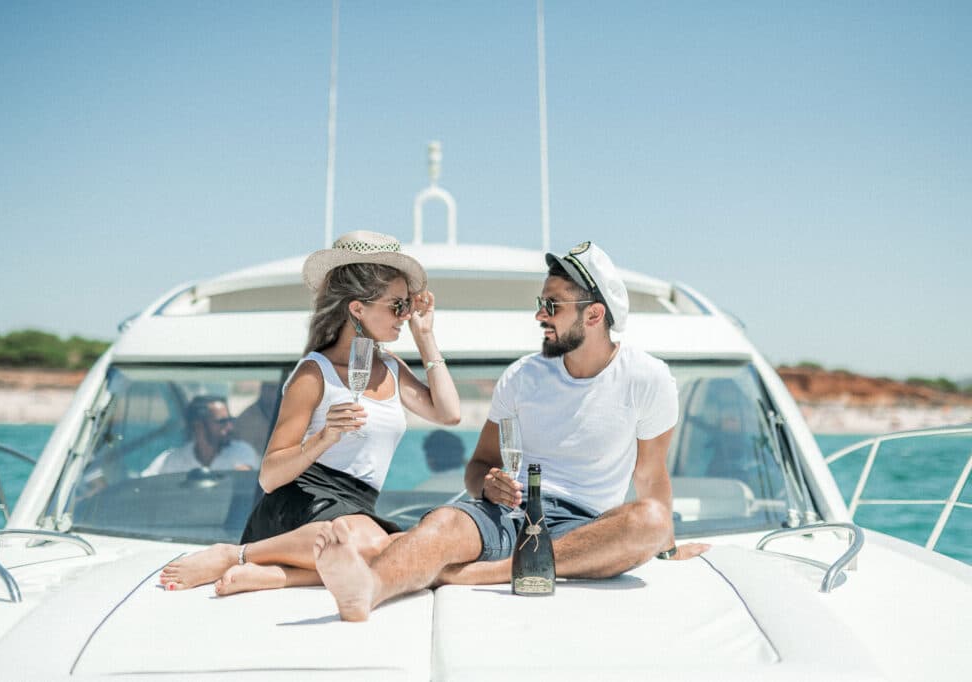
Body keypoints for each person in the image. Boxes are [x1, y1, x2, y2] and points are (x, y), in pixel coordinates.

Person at [312, 240, 709, 621]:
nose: (540, 315)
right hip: (508, 513)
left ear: (594, 315)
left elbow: (651, 476)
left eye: (551, 306)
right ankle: (368, 590)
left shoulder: (648, 378)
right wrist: (488, 485)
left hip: (585, 529)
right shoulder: (522, 377)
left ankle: (487, 572)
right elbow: (479, 466)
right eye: (541, 304)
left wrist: (668, 549)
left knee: (652, 521)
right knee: (445, 523)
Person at [159, 230, 461, 592]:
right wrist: (324, 438)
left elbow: (449, 414)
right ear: (357, 308)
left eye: (408, 305)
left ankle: (278, 575)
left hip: (356, 511)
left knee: (406, 550)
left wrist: (424, 336)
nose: (405, 314)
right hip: (302, 508)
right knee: (370, 544)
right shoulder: (314, 372)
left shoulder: (392, 368)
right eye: (397, 305)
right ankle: (236, 555)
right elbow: (269, 477)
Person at [141, 395, 259, 476]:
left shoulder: (242, 453)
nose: (230, 427)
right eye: (222, 422)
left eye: (229, 420)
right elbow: (141, 488)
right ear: (199, 426)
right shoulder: (171, 461)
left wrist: (242, 476)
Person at [234, 381, 281, 456]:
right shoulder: (247, 420)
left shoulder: (287, 412)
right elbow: (246, 454)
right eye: (272, 389)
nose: (277, 392)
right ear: (263, 390)